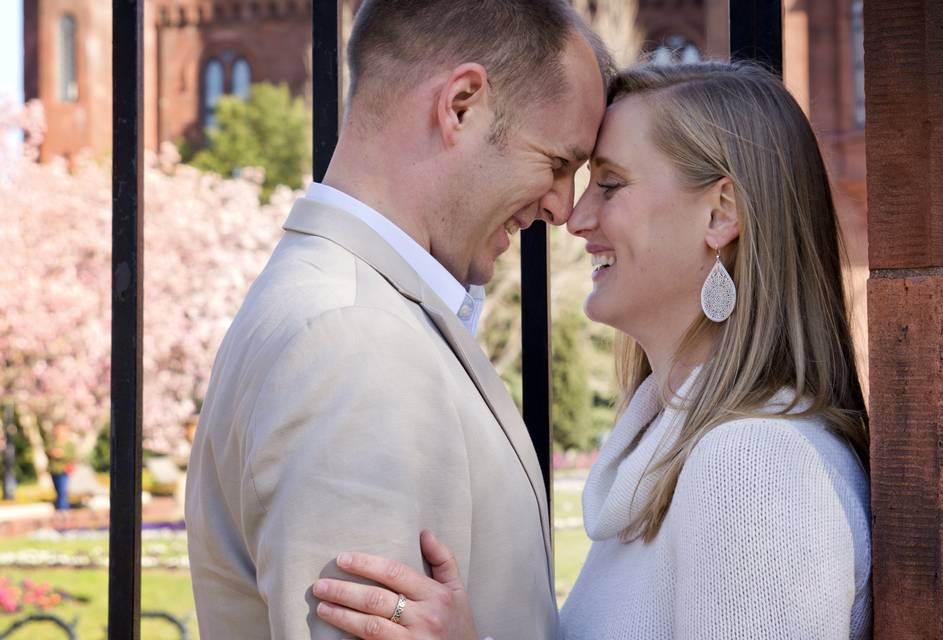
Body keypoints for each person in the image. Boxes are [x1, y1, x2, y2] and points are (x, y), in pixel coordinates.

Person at [308, 61, 873, 639]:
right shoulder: (675, 452)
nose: (574, 218)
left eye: (610, 183)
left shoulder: (756, 466)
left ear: (721, 212)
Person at [185, 1, 611, 638]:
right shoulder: (354, 342)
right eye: (557, 163)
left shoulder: (343, 305)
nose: (562, 207)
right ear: (462, 103)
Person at [46, 422, 76, 511]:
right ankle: (60, 506)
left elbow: (73, 456)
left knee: (63, 491)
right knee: (58, 491)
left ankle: (63, 509)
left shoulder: (70, 444)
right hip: (54, 470)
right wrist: (52, 453)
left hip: (64, 470)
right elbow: (47, 451)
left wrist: (61, 455)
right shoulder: (53, 443)